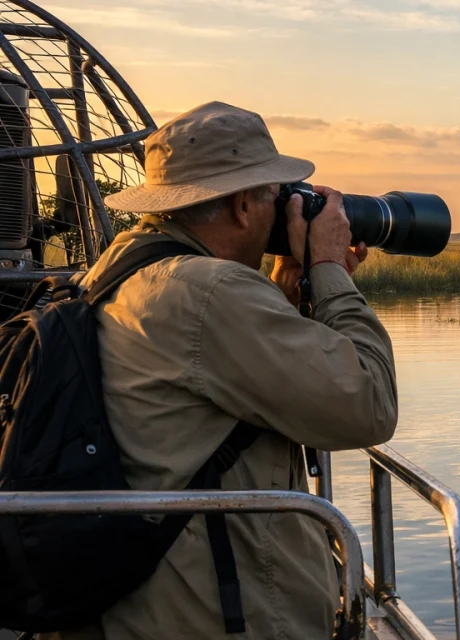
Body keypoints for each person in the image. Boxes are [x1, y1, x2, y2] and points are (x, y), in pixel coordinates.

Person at [42, 101, 398, 639]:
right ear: (241, 207)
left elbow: (219, 383)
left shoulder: (128, 268)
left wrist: (284, 292)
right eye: (276, 195)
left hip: (147, 609)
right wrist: (329, 270)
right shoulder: (210, 292)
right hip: (220, 617)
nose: (286, 209)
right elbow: (368, 405)